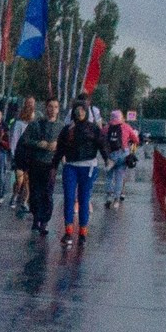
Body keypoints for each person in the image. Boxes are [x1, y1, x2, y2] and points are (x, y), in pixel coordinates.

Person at [56, 102, 106, 242]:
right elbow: (60, 148)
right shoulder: (67, 129)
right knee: (69, 198)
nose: (80, 113)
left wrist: (107, 158)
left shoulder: (93, 128)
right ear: (74, 112)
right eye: (77, 110)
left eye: (82, 110)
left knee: (84, 199)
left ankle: (83, 233)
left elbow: (101, 144)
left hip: (88, 166)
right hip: (70, 165)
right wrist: (54, 166)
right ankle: (68, 232)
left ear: (86, 112)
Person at [15, 98, 60, 235]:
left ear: (58, 109)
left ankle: (44, 222)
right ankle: (36, 218)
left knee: (48, 193)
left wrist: (57, 145)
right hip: (36, 163)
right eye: (50, 106)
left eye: (55, 107)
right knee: (35, 193)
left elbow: (68, 144)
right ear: (46, 108)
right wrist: (39, 144)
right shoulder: (36, 125)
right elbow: (25, 140)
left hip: (51, 164)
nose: (52, 110)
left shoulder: (61, 126)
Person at [103, 110, 133, 208]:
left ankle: (108, 197)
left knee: (109, 177)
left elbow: (100, 137)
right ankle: (116, 200)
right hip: (123, 156)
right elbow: (136, 139)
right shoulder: (126, 127)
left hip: (110, 156)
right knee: (119, 178)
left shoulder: (106, 128)